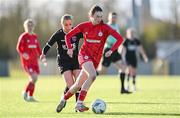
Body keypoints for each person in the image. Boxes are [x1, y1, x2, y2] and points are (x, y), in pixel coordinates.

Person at [56, 5, 124, 113]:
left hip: (95, 59)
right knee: (93, 75)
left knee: (78, 84)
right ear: (91, 16)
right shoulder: (84, 26)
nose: (99, 19)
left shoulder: (105, 28)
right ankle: (79, 103)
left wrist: (111, 50)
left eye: (101, 16)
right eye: (97, 16)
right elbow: (68, 36)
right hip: (84, 55)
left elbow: (120, 39)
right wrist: (69, 48)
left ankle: (63, 99)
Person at [39, 14, 87, 112]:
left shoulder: (76, 32)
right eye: (66, 25)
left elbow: (88, 36)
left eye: (70, 24)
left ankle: (78, 106)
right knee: (71, 85)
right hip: (63, 61)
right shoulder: (58, 34)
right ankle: (63, 99)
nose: (68, 27)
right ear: (62, 24)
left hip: (75, 60)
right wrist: (43, 53)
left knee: (78, 82)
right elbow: (49, 44)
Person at [99, 12, 130, 94]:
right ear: (109, 18)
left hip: (115, 50)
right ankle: (86, 78)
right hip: (108, 49)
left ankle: (122, 89)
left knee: (123, 67)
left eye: (115, 17)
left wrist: (119, 47)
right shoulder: (106, 26)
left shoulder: (116, 26)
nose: (114, 18)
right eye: (112, 17)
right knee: (102, 71)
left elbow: (118, 39)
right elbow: (103, 37)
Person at [16, 19, 42, 102]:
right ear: (25, 27)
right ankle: (25, 92)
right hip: (27, 62)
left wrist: (42, 55)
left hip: (35, 62)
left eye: (31, 25)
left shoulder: (35, 36)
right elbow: (18, 47)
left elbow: (38, 47)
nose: (30, 27)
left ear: (34, 27)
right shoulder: (23, 36)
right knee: (33, 77)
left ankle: (30, 96)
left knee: (35, 79)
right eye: (28, 25)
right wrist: (23, 53)